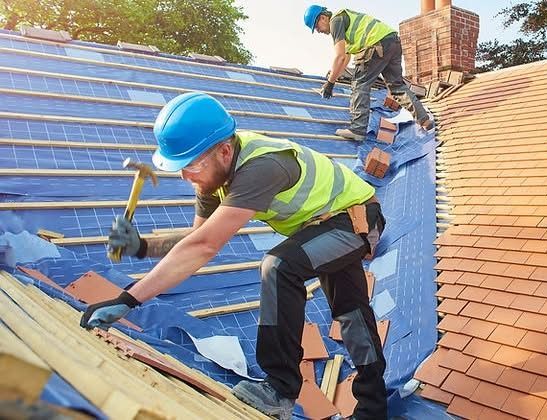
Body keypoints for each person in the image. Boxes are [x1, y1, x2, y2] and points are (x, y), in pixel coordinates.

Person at [80, 92, 388, 420]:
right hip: (324, 225)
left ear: (225, 151)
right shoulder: (212, 177)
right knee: (351, 311)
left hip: (356, 220)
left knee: (279, 267)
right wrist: (143, 246)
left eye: (191, 165)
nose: (186, 176)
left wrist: (127, 300)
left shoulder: (261, 168)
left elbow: (203, 247)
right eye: (181, 168)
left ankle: (280, 388)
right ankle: (373, 410)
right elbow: (196, 239)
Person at [304, 4, 432, 141]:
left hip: (375, 44)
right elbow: (345, 58)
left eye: (316, 27)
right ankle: (424, 120)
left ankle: (358, 129)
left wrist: (330, 83)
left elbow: (339, 56)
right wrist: (334, 77)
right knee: (397, 86)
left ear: (323, 18)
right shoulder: (345, 21)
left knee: (360, 84)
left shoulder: (335, 21)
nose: (318, 31)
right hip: (392, 41)